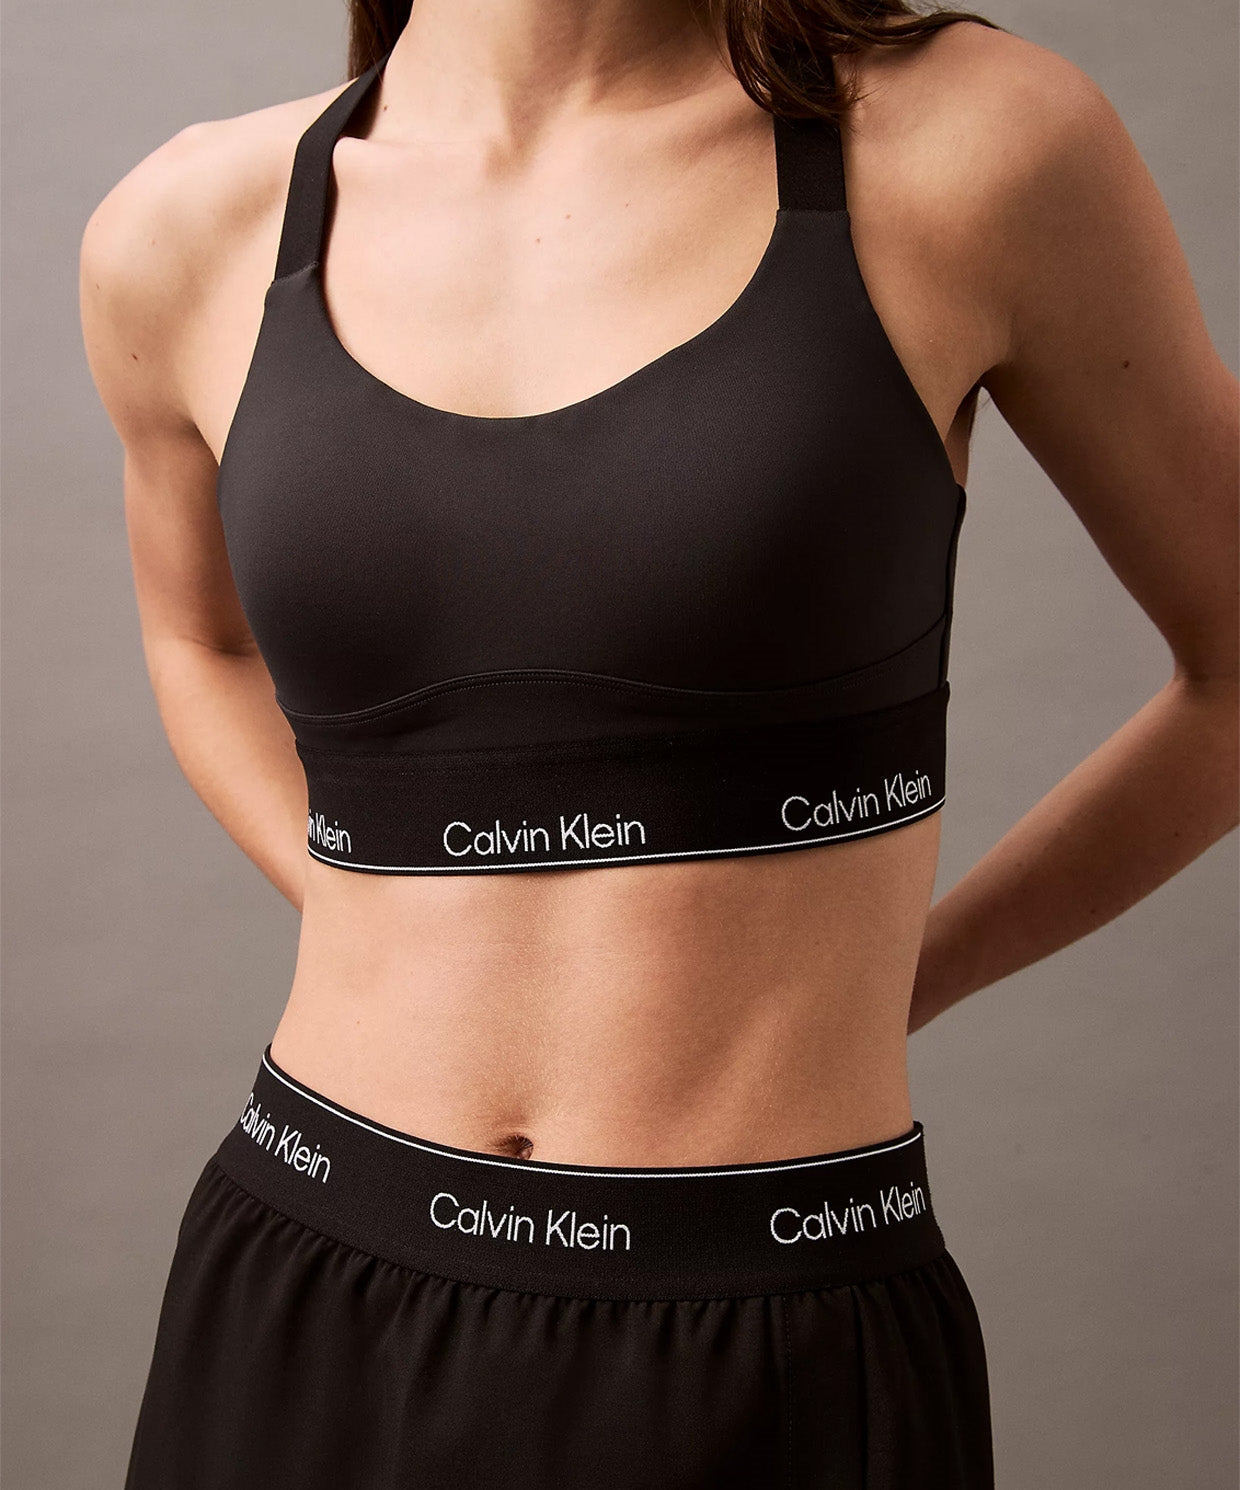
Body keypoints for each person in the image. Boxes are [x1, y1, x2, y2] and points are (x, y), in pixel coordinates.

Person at [79, 1, 1237, 1485]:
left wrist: (911, 969)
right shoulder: (187, 226)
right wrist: (385, 906)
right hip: (310, 1275)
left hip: (762, 1318)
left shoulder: (971, 146)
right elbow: (201, 643)